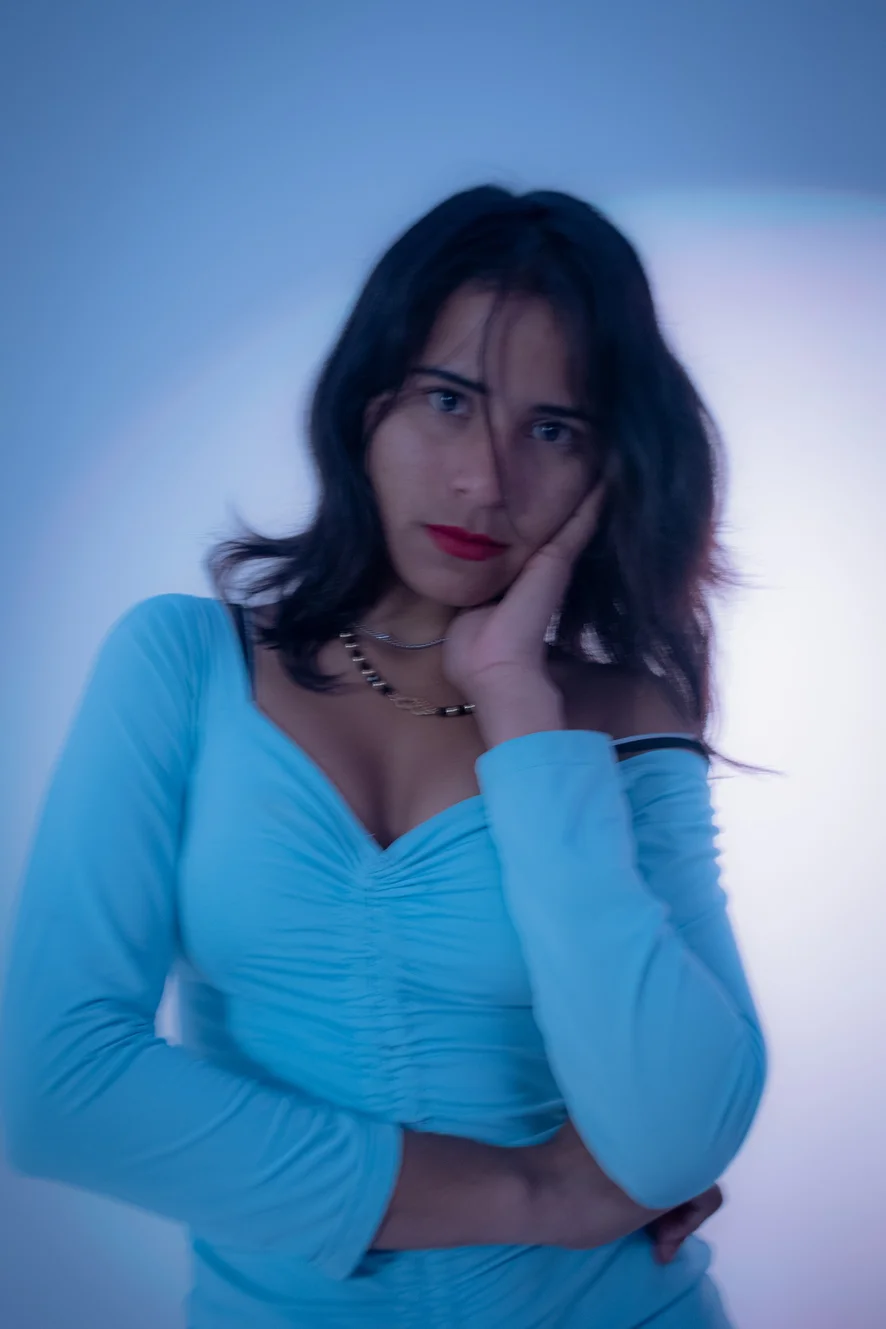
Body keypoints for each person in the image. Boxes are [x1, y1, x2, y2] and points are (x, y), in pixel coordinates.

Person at [0, 185, 769, 1327]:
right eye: (448, 401)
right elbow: (57, 1089)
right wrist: (534, 1192)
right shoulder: (183, 664)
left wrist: (522, 714)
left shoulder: (620, 715)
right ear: (366, 403)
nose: (485, 481)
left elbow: (673, 1140)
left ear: (609, 469)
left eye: (552, 430)